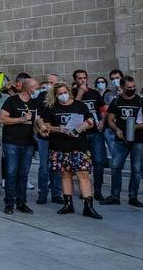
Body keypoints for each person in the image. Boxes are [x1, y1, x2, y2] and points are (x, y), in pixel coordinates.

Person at [37, 82, 101, 219]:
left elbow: (91, 121)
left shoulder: (79, 105)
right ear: (55, 95)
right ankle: (68, 204)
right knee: (65, 174)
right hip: (60, 145)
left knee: (83, 174)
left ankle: (88, 206)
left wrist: (80, 128)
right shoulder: (51, 108)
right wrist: (58, 129)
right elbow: (46, 125)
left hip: (79, 145)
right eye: (59, 94)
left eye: (64, 92)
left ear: (69, 92)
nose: (63, 96)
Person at [103, 76, 143, 208]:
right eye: (128, 87)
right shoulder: (116, 101)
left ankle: (133, 196)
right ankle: (115, 195)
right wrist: (116, 129)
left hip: (139, 140)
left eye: (133, 87)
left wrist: (134, 127)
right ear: (123, 87)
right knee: (115, 167)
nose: (132, 89)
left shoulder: (142, 101)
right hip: (121, 139)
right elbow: (110, 119)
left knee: (136, 169)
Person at [0, 76, 39, 214]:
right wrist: (21, 119)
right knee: (11, 172)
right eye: (36, 88)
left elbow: (37, 120)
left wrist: (40, 128)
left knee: (24, 173)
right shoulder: (12, 101)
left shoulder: (35, 103)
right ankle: (9, 203)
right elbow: (2, 119)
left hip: (28, 143)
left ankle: (22, 202)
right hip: (11, 142)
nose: (37, 90)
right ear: (28, 88)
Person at [72, 69, 107, 200]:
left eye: (84, 78)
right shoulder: (73, 94)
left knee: (98, 161)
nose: (82, 80)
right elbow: (73, 109)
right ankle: (85, 190)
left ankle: (97, 190)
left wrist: (103, 121)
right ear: (75, 80)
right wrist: (80, 93)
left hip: (95, 132)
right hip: (81, 133)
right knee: (83, 163)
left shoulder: (95, 93)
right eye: (79, 78)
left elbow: (102, 109)